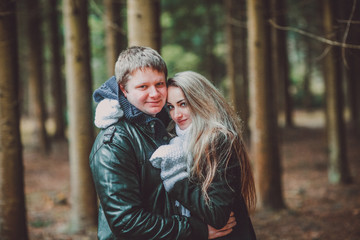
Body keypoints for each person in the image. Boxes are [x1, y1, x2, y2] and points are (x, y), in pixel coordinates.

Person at [90, 46, 235, 240]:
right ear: (123, 89)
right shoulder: (114, 143)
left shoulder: (170, 126)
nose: (155, 93)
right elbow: (126, 222)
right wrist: (195, 230)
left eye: (159, 84)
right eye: (143, 87)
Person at [148, 71, 257, 239]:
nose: (177, 115)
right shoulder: (177, 141)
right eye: (170, 107)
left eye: (183, 104)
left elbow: (217, 215)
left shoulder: (218, 140)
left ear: (200, 101)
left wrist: (176, 178)